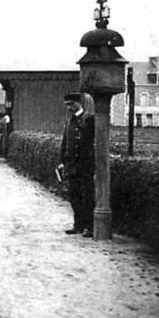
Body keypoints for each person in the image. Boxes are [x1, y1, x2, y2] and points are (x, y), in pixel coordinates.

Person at [58, 92, 95, 238]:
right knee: (74, 197)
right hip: (72, 165)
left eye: (70, 105)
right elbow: (65, 142)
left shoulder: (89, 119)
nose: (68, 108)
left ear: (77, 103)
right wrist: (61, 161)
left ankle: (88, 227)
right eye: (67, 105)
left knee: (87, 196)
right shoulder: (70, 121)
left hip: (85, 166)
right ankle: (78, 225)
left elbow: (94, 143)